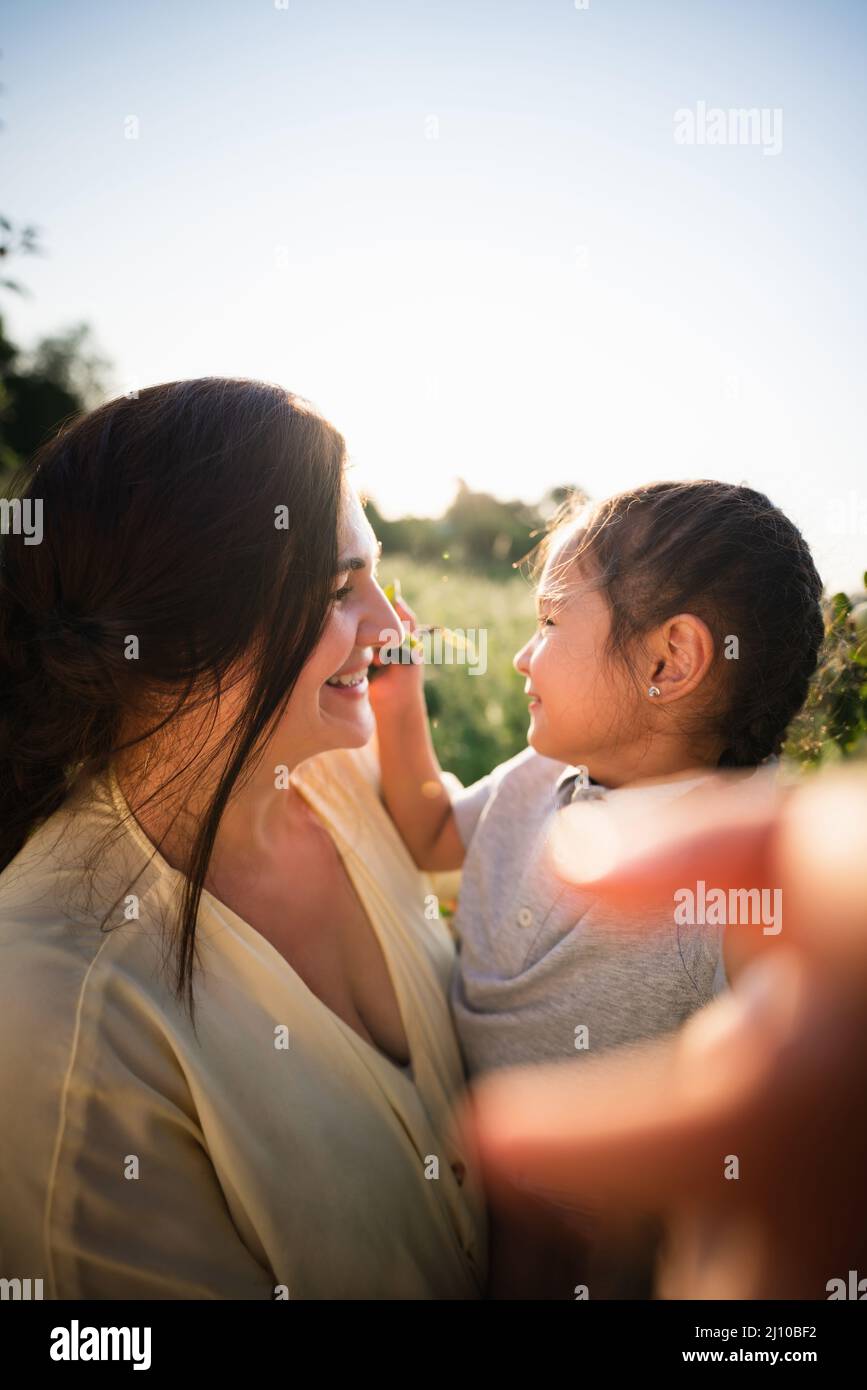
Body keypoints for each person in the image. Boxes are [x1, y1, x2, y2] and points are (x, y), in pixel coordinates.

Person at [0, 378, 486, 1299]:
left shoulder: (348, 771)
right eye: (342, 591)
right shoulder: (61, 1010)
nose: (393, 629)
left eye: (377, 577)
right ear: (183, 632)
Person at [369, 480, 825, 1296]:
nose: (521, 653)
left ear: (668, 660)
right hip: (454, 1194)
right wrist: (401, 702)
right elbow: (431, 834)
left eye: (548, 623)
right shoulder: (536, 775)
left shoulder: (732, 884)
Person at [453, 764, 867, 1300]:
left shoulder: (719, 906)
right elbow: (436, 827)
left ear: (666, 673)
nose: (521, 671)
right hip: (467, 1210)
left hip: (607, 1245)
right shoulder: (533, 771)